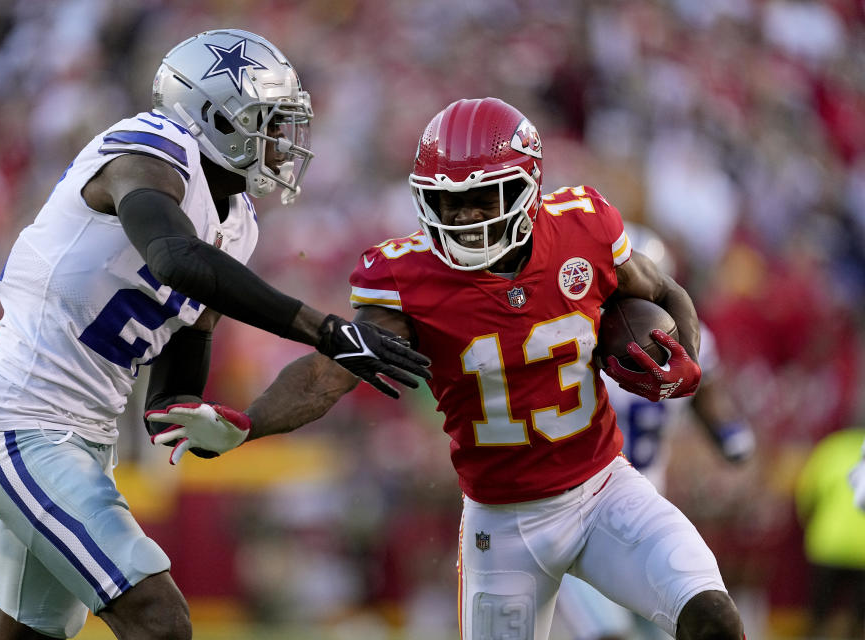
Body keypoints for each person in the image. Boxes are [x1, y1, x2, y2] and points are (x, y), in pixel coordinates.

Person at [152, 97, 745, 639]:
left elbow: (667, 291)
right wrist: (249, 424)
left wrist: (686, 358)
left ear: (527, 187)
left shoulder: (583, 227)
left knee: (713, 619)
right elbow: (327, 373)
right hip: (505, 525)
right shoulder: (406, 281)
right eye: (445, 200)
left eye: (481, 196)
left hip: (606, 490)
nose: (462, 215)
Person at [0, 29, 429, 640]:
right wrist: (322, 328)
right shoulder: (148, 153)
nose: (283, 144)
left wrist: (195, 417)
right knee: (160, 620)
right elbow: (175, 257)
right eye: (269, 122)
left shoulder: (236, 223)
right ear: (215, 114)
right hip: (22, 425)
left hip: (84, 437)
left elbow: (177, 370)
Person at [553, 223, 756, 640]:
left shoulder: (678, 337)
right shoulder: (568, 339)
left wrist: (727, 431)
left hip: (645, 510)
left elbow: (705, 385)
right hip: (578, 513)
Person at [795, 427, 865, 638]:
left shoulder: (831, 449)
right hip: (862, 550)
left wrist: (808, 524)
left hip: (828, 545)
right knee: (859, 619)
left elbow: (806, 494)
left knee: (819, 614)